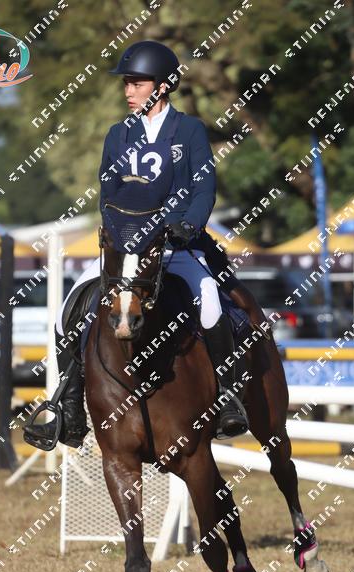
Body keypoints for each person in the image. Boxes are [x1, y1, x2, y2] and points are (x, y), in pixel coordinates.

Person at [24, 40, 264, 452]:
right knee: (68, 313)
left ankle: (227, 396)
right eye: (127, 83)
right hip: (125, 249)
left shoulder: (189, 131)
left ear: (163, 85)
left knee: (209, 301)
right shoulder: (118, 135)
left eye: (137, 83)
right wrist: (118, 233)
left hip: (176, 246)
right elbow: (108, 194)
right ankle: (70, 409)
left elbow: (204, 189)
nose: (128, 90)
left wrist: (187, 226)